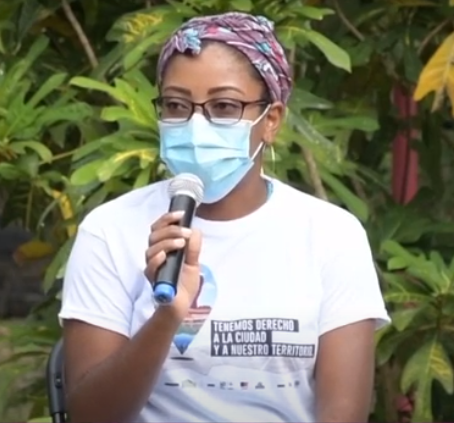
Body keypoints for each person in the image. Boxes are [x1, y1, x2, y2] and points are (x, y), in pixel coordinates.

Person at [59, 11, 390, 423]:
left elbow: (343, 412)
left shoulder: (331, 234)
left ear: (271, 121)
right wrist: (167, 317)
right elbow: (89, 415)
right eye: (176, 105)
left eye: (225, 106)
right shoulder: (110, 230)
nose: (197, 126)